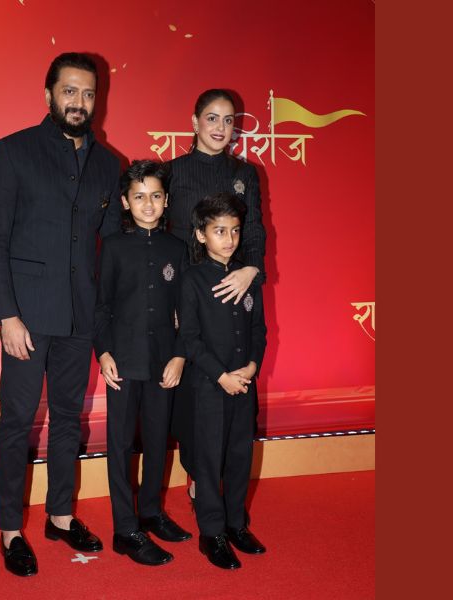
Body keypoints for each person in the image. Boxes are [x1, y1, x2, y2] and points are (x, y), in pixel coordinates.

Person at [0, 52, 121, 577]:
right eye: (69, 91)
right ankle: (10, 529)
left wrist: (109, 323)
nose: (79, 102)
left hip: (80, 318)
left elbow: (110, 251)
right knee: (17, 421)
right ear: (49, 95)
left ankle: (60, 516)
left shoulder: (109, 165)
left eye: (88, 93)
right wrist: (7, 315)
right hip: (27, 319)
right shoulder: (12, 151)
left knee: (67, 420)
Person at [168, 89, 267, 506]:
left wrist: (251, 269)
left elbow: (255, 227)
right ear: (194, 123)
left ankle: (223, 493)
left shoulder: (245, 173)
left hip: (234, 288)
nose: (220, 128)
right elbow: (163, 238)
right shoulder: (172, 172)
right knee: (194, 396)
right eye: (212, 118)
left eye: (229, 120)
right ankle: (199, 479)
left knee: (234, 396)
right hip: (187, 294)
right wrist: (173, 300)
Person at [94, 160, 192, 567]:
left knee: (156, 441)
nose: (148, 204)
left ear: (166, 200)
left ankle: (150, 512)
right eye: (139, 197)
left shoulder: (177, 249)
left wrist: (180, 355)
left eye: (155, 196)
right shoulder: (113, 246)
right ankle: (125, 528)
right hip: (122, 361)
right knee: (120, 445)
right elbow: (101, 306)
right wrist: (103, 353)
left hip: (162, 362)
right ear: (125, 202)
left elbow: (188, 312)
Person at [179, 193, 267, 570]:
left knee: (239, 457)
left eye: (234, 230)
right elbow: (189, 339)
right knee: (208, 460)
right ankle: (211, 532)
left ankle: (235, 524)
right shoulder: (192, 280)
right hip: (208, 387)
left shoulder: (249, 278)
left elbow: (260, 330)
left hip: (244, 384)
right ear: (201, 235)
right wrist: (220, 376)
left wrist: (251, 366)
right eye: (219, 231)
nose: (229, 239)